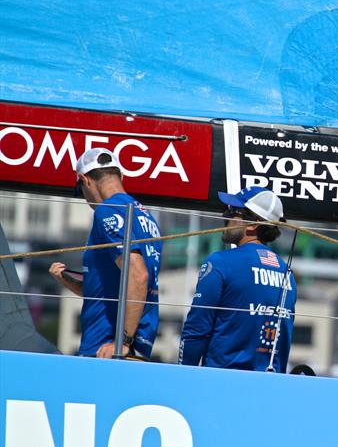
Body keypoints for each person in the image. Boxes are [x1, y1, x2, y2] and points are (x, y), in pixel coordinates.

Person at [49, 148, 162, 359]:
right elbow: (113, 288)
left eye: (80, 189)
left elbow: (138, 275)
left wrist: (122, 341)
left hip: (106, 348)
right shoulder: (146, 215)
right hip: (135, 345)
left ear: (85, 180)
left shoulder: (107, 211)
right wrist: (67, 281)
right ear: (120, 175)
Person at [179, 186, 297, 372]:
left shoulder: (221, 262)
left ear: (252, 224)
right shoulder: (287, 272)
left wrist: (182, 373)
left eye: (232, 211)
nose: (224, 216)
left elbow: (197, 329)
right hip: (270, 385)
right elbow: (286, 339)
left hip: (222, 381)